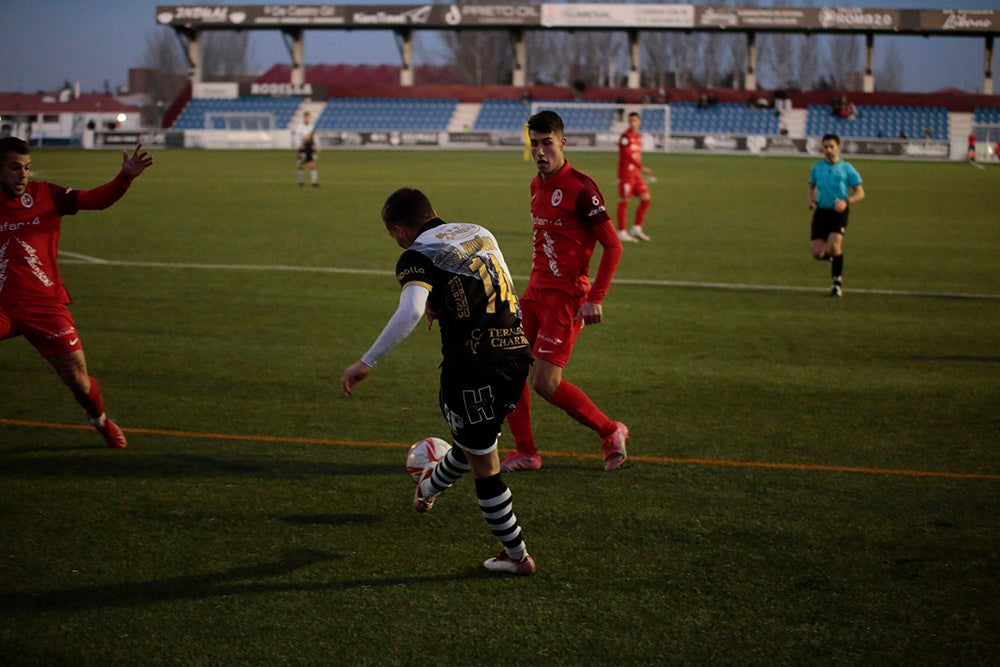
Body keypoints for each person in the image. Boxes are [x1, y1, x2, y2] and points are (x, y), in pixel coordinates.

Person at [341, 187, 537, 575]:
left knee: (486, 464)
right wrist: (443, 303)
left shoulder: (415, 254)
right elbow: (486, 285)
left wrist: (367, 362)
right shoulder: (479, 231)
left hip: (473, 366)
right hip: (516, 354)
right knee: (474, 442)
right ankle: (428, 489)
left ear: (399, 230)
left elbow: (410, 310)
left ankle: (516, 556)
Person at [0, 137, 153, 447]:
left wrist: (125, 177)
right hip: (2, 306)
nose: (23, 176)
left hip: (44, 305)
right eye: (15, 168)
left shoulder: (45, 195)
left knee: (79, 381)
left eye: (27, 168)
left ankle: (100, 420)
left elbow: (96, 200)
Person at [501, 110, 629, 473]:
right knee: (506, 367)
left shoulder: (581, 189)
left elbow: (614, 246)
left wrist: (595, 298)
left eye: (547, 143)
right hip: (534, 294)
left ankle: (610, 430)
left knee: (545, 382)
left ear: (562, 143)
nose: (540, 151)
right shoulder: (535, 185)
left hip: (566, 300)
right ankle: (526, 451)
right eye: (535, 144)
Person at [808, 133, 864, 298]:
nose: (828, 150)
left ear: (838, 147)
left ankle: (836, 284)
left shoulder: (847, 168)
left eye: (832, 146)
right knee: (817, 253)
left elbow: (860, 192)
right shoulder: (817, 168)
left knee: (834, 244)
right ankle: (831, 259)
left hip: (838, 212)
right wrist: (811, 200)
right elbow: (811, 186)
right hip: (821, 213)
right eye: (825, 147)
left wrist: (847, 201)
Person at [616, 111, 653, 243]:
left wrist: (638, 169)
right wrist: (641, 167)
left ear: (639, 122)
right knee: (624, 201)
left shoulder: (638, 137)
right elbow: (626, 155)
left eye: (635, 120)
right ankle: (621, 232)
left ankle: (636, 228)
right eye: (631, 121)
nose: (633, 123)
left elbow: (636, 154)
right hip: (626, 175)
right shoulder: (625, 137)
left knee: (646, 199)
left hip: (635, 175)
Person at [294, 111, 318, 187]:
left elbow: (314, 137)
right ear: (304, 117)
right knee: (302, 164)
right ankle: (301, 181)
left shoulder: (311, 126)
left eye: (308, 117)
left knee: (312, 163)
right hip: (303, 147)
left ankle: (314, 182)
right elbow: (296, 136)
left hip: (310, 147)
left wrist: (317, 146)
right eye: (306, 117)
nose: (307, 118)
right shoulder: (300, 126)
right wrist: (299, 145)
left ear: (309, 118)